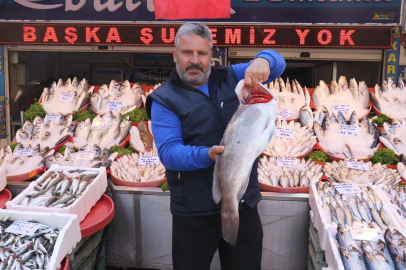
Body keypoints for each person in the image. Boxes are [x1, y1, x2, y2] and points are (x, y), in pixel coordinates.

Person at [145, 22, 286, 270]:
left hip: (243, 202)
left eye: (202, 53)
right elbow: (169, 153)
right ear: (175, 54)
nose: (195, 60)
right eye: (187, 53)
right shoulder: (164, 99)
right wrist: (208, 155)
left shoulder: (231, 76)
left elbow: (277, 64)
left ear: (212, 56)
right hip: (193, 213)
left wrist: (264, 60)